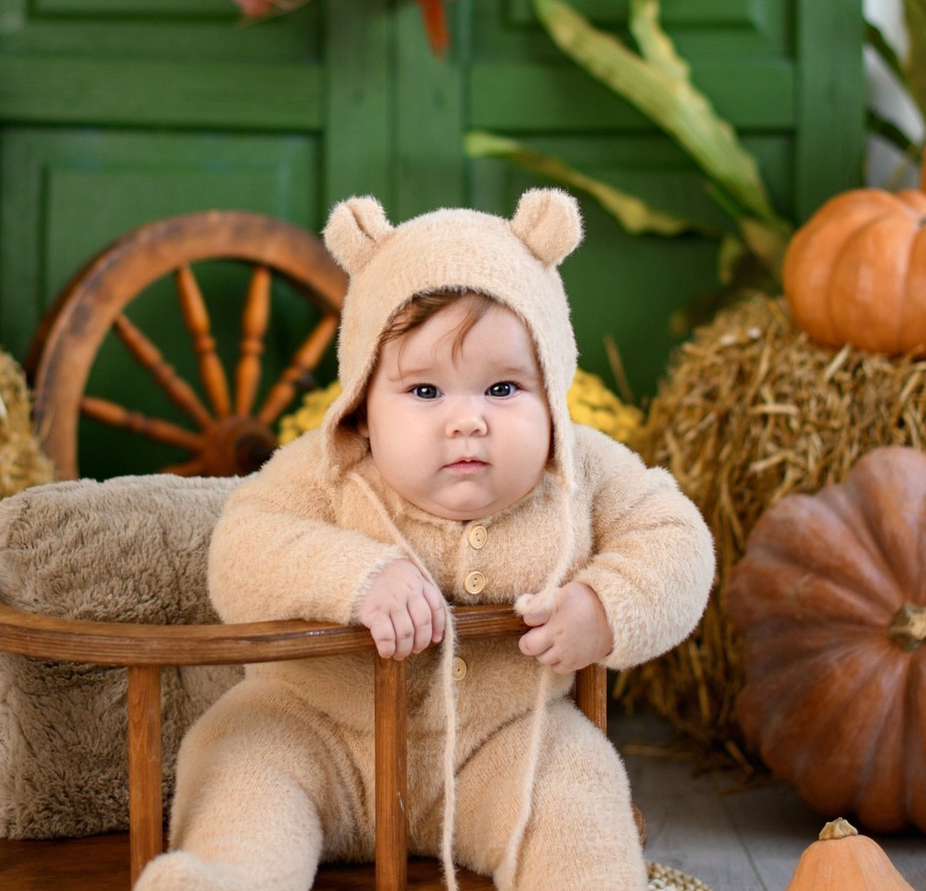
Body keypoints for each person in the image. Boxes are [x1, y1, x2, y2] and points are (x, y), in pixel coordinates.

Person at [136, 189, 715, 891]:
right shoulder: (330, 468)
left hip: (499, 745)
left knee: (576, 782)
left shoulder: (584, 471)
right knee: (244, 762)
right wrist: (354, 573)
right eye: (425, 392)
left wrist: (607, 604)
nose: (467, 421)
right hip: (316, 734)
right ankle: (225, 879)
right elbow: (241, 548)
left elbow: (677, 537)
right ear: (363, 406)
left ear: (552, 391)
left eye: (503, 389)